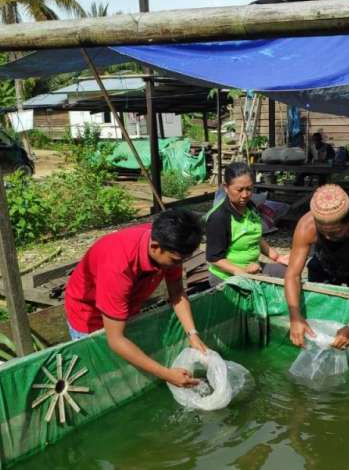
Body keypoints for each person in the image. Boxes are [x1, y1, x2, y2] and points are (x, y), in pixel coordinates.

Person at [64, 209, 207, 388]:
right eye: (175, 260)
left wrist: (193, 335)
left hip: (127, 306)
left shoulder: (170, 245)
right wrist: (167, 374)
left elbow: (177, 293)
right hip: (89, 315)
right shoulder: (118, 266)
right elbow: (115, 339)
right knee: (102, 378)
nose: (178, 265)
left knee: (131, 370)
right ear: (155, 247)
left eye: (183, 260)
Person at [285, 184, 349, 350]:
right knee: (317, 314)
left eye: (334, 232)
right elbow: (292, 275)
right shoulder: (307, 225)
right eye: (323, 232)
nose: (327, 236)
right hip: (326, 266)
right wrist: (295, 316)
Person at [205, 162, 288, 286]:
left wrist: (277, 257)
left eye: (249, 189)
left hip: (253, 268)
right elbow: (214, 258)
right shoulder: (219, 217)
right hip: (227, 276)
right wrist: (242, 272)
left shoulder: (251, 207)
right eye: (239, 190)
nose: (245, 195)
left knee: (290, 273)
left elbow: (255, 237)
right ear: (226, 188)